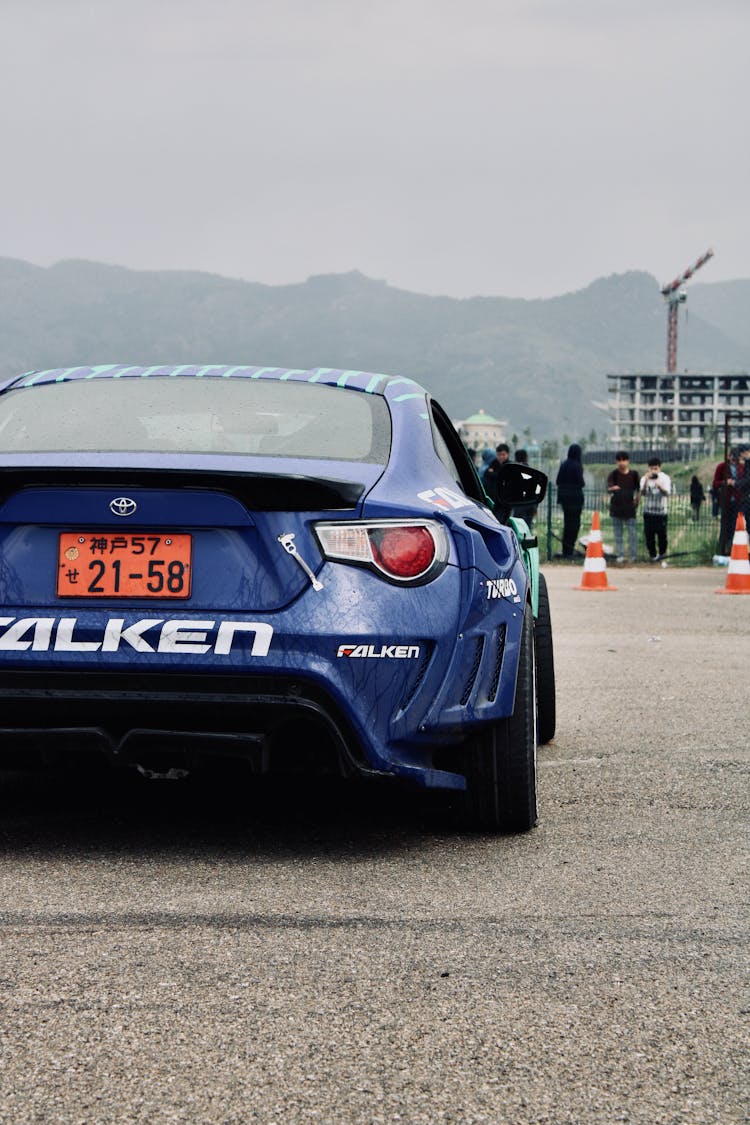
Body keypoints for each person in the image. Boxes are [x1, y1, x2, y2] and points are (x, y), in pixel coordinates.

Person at [606, 451, 640, 563]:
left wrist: (637, 500)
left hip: (630, 510)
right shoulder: (613, 474)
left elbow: (639, 490)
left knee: (632, 534)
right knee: (618, 535)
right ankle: (620, 555)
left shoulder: (634, 475)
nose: (621, 463)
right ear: (616, 461)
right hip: (616, 509)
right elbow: (608, 488)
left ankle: (633, 556)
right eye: (619, 460)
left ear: (628, 461)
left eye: (623, 460)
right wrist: (612, 489)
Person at [639, 457, 671, 562]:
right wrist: (646, 481)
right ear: (648, 468)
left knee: (662, 535)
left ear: (659, 468)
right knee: (649, 536)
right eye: (651, 468)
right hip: (649, 512)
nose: (653, 471)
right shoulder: (644, 478)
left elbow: (668, 493)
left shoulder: (665, 478)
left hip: (661, 512)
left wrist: (660, 486)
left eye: (656, 468)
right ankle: (652, 556)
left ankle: (662, 555)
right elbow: (642, 493)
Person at [555, 443, 585, 558]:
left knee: (567, 525)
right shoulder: (577, 465)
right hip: (576, 501)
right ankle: (570, 548)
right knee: (574, 525)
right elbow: (581, 482)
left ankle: (565, 549)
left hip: (564, 500)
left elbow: (558, 481)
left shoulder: (564, 464)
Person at [712, 448, 741, 554]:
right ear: (729, 457)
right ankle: (723, 549)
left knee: (736, 526)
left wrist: (737, 483)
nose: (734, 461)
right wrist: (725, 482)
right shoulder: (722, 467)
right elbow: (715, 483)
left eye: (736, 459)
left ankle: (734, 549)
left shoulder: (741, 467)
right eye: (732, 458)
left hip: (738, 501)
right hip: (726, 501)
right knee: (725, 526)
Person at [511, 448, 537, 526]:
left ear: (515, 458)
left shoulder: (514, 471)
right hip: (531, 504)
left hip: (518, 504)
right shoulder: (532, 471)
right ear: (526, 458)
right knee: (528, 527)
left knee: (518, 527)